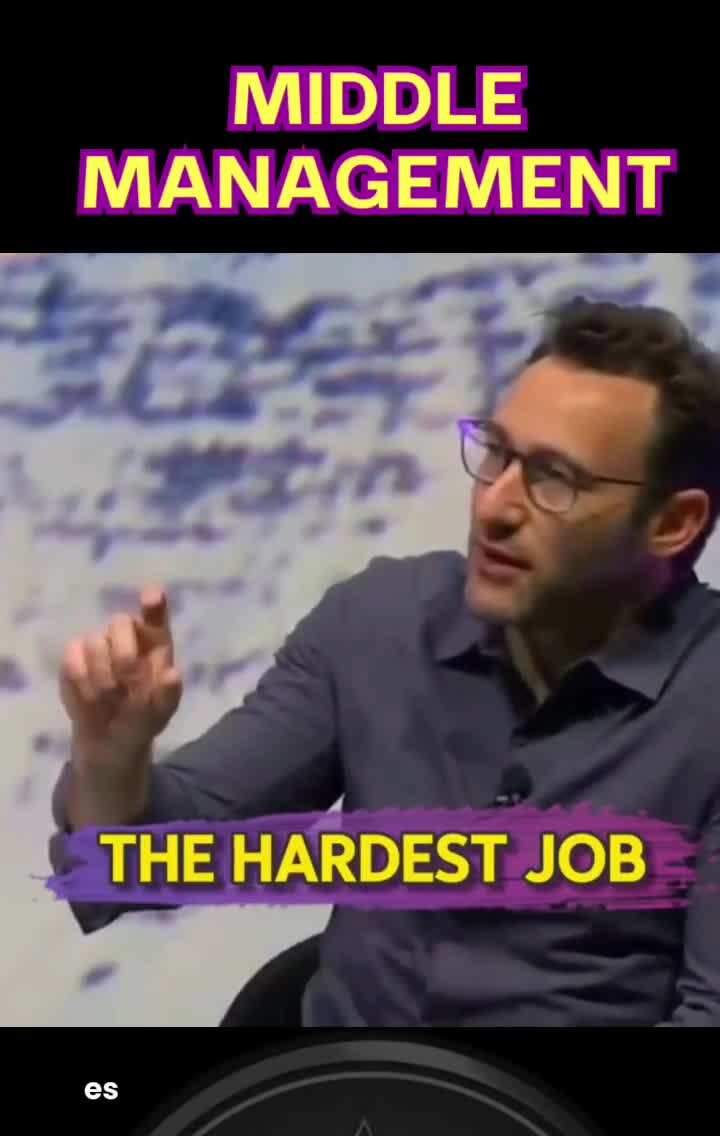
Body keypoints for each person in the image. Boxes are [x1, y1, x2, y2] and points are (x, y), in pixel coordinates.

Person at [50, 295, 720, 1026]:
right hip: (341, 1086)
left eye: (554, 479)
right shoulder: (380, 623)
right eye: (497, 454)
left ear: (673, 522)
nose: (494, 507)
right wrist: (110, 762)